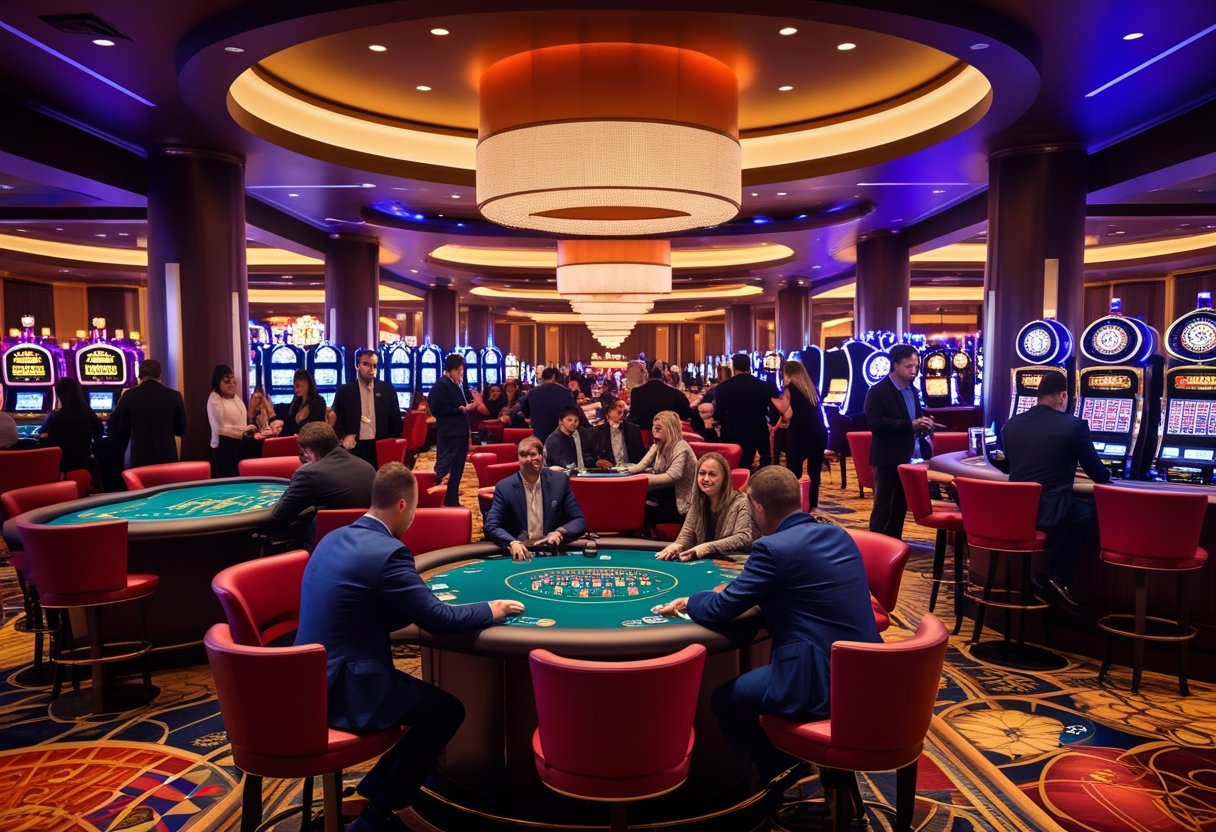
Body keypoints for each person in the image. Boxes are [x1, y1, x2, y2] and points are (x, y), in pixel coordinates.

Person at [295, 463, 524, 832]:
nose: (414, 518)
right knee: (446, 711)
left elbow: (370, 609)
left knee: (431, 707)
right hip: (348, 690)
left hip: (307, 682)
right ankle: (378, 814)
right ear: (402, 505)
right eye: (415, 510)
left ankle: (373, 789)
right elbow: (439, 620)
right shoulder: (390, 553)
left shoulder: (333, 536)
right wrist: (490, 609)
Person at [651, 466, 880, 781]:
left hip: (818, 681)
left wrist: (692, 600)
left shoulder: (772, 549)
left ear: (757, 506)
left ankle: (779, 772)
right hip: (872, 677)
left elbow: (722, 608)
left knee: (724, 701)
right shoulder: (838, 533)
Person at [999, 371, 1111, 607]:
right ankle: (1057, 574)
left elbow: (1008, 466)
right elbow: (1099, 474)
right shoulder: (1074, 426)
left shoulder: (1011, 424)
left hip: (1015, 515)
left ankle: (1047, 579)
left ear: (1037, 396)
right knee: (1091, 513)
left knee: (1080, 510)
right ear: (1063, 396)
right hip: (1050, 513)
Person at [864, 344, 936, 539]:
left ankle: (894, 543)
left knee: (900, 506)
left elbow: (913, 417)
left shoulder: (912, 390)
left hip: (909, 455)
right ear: (895, 365)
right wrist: (909, 425)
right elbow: (876, 424)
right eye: (908, 366)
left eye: (916, 366)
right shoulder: (878, 391)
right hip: (887, 456)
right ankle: (877, 546)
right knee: (883, 506)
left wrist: (924, 422)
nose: (913, 371)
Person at [268, 421, 376, 546]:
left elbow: (279, 515)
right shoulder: (368, 467)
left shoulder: (308, 473)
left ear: (308, 451)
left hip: (321, 547)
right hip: (363, 542)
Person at [483, 436, 587, 560]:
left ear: (541, 458)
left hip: (550, 552)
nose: (528, 459)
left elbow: (579, 520)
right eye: (523, 455)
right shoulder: (505, 487)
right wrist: (512, 542)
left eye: (532, 454)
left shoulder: (559, 482)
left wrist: (559, 532)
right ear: (518, 458)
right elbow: (491, 525)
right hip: (520, 553)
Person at [655, 452, 754, 562]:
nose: (706, 479)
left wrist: (705, 547)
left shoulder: (741, 501)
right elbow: (687, 535)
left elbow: (743, 537)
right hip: (709, 561)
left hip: (736, 562)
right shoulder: (698, 503)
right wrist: (677, 545)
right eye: (702, 473)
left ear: (724, 478)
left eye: (712, 474)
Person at [109, 358, 187, 470]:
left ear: (139, 374)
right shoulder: (175, 395)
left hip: (139, 456)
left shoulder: (128, 395)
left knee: (142, 486)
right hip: (167, 456)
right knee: (166, 486)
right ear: (159, 375)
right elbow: (181, 429)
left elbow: (114, 427)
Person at [628, 410, 698, 531]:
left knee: (639, 508)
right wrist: (620, 472)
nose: (655, 428)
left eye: (659, 426)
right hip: (666, 492)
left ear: (671, 427)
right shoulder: (658, 444)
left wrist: (642, 480)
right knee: (632, 501)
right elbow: (640, 466)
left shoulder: (681, 446)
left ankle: (646, 541)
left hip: (683, 501)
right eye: (654, 425)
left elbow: (673, 476)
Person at [333, 349, 403, 469]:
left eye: (374, 365)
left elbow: (395, 422)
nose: (371, 369)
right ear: (357, 366)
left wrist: (392, 446)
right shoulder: (345, 391)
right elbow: (338, 420)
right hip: (355, 446)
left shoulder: (387, 389)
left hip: (380, 445)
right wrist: (343, 438)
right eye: (366, 364)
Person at [427, 354, 481, 506]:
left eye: (462, 370)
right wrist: (462, 409)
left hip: (459, 432)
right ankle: (439, 501)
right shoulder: (442, 384)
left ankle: (452, 500)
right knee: (444, 469)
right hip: (449, 433)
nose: (461, 374)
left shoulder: (456, 384)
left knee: (457, 469)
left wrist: (468, 405)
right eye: (458, 371)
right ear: (450, 370)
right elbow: (438, 408)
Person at [774, 360, 828, 509]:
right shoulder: (812, 389)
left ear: (788, 373)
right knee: (814, 473)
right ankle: (812, 506)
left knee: (794, 473)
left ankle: (795, 506)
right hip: (818, 433)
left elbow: (789, 415)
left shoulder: (788, 388)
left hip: (799, 433)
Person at [713, 354, 778, 468]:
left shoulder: (723, 387)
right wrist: (771, 423)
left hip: (733, 431)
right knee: (764, 462)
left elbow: (719, 413)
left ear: (734, 367)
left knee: (736, 465)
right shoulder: (762, 385)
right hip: (758, 429)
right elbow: (774, 408)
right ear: (749, 366)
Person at [39, 376, 102, 473]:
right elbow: (99, 434)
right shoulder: (88, 413)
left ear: (60, 395)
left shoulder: (56, 416)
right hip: (84, 463)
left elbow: (42, 437)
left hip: (61, 466)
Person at [206, 364, 257, 478]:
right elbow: (220, 429)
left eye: (233, 381)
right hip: (223, 450)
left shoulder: (235, 398)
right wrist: (243, 431)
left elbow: (242, 421)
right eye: (227, 381)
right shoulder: (214, 399)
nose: (232, 384)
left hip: (238, 447)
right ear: (218, 382)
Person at [519, 366, 576, 441]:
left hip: (539, 434)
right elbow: (573, 411)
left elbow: (524, 410)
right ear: (553, 377)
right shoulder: (564, 392)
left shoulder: (532, 392)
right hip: (560, 434)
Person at [627, 365, 691, 431]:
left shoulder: (636, 392)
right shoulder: (676, 393)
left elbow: (633, 414)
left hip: (641, 435)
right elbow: (686, 414)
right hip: (668, 434)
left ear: (647, 375)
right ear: (663, 376)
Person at [590, 396, 646, 467]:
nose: (622, 415)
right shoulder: (597, 432)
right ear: (608, 412)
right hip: (608, 474)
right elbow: (588, 456)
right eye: (619, 412)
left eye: (625, 413)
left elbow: (642, 456)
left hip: (631, 472)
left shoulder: (633, 430)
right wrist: (597, 462)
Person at [543, 404, 594, 469]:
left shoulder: (573, 436)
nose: (573, 423)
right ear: (561, 421)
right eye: (569, 420)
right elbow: (563, 466)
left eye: (576, 420)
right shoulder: (554, 440)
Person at [282, 368, 328, 436]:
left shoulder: (318, 401)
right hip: (295, 438)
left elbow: (317, 427)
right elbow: (291, 424)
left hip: (311, 440)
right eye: (295, 386)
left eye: (300, 386)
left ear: (308, 385)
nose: (296, 389)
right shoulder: (296, 401)